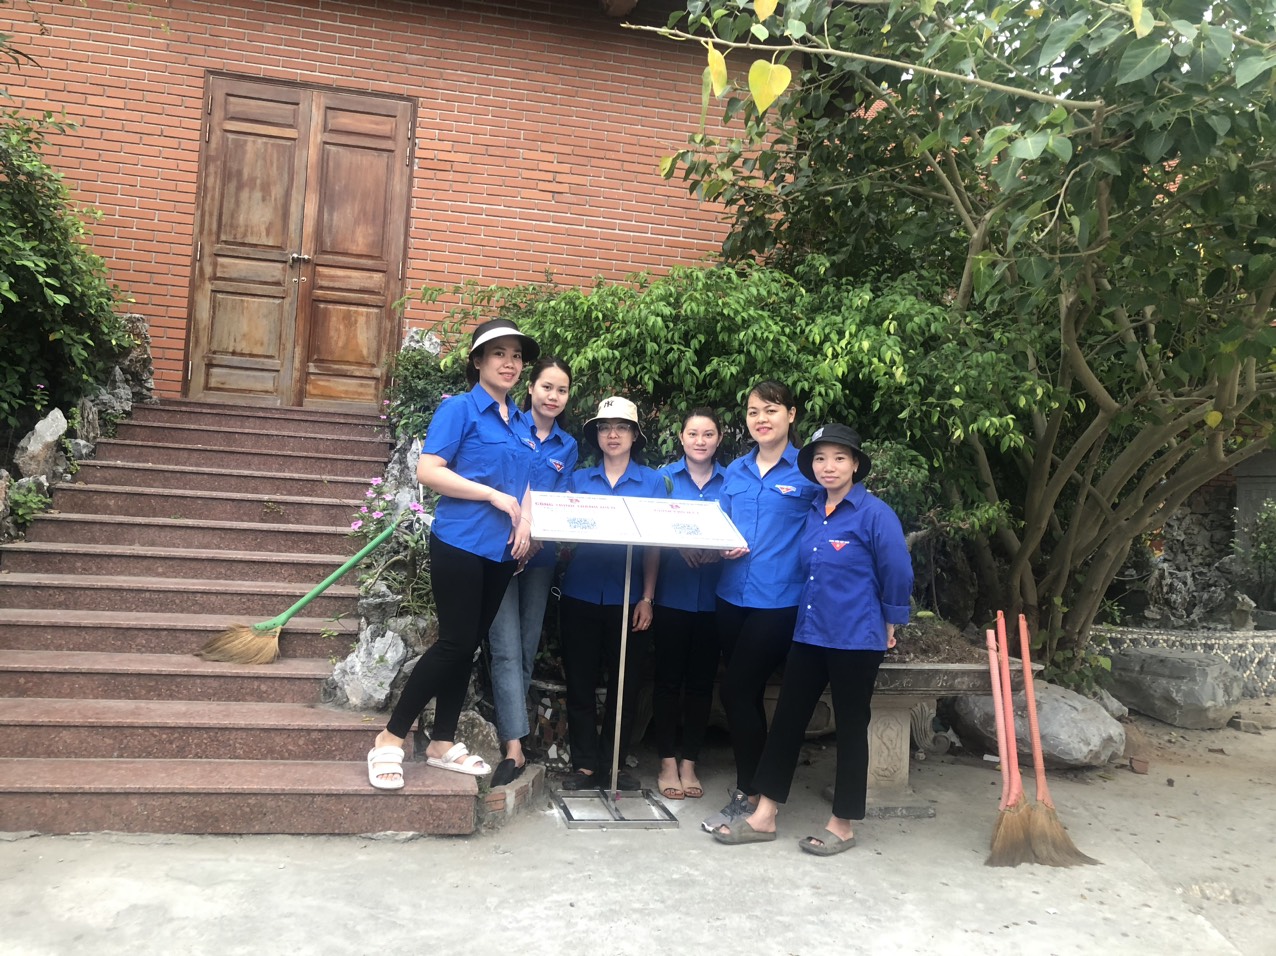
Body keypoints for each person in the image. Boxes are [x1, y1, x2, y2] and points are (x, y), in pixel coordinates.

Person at [713, 424, 913, 854]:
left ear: (855, 465)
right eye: (820, 458)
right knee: (787, 721)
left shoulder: (875, 514)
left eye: (839, 458)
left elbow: (897, 570)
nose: (828, 466)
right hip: (809, 631)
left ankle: (842, 824)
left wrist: (891, 621)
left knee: (851, 727)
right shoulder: (812, 511)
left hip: (856, 637)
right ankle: (765, 814)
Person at [367, 318, 539, 789]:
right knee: (455, 643)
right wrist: (491, 495)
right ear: (478, 361)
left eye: (516, 356)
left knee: (470, 645)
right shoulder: (459, 409)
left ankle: (442, 742)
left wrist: (525, 522)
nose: (509, 363)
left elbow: (525, 482)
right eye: (499, 353)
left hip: (501, 552)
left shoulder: (520, 420)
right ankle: (390, 737)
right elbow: (429, 471)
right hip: (461, 542)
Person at [702, 381, 819, 831]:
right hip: (731, 595)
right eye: (753, 412)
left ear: (791, 414)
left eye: (770, 410)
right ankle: (752, 788)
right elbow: (719, 524)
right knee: (744, 695)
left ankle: (751, 792)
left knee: (735, 690)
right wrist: (717, 546)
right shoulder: (736, 470)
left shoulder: (810, 472)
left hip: (780, 600)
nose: (761, 419)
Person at [557, 396, 666, 791]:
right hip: (580, 593)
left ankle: (614, 765)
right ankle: (585, 766)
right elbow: (563, 531)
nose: (613, 434)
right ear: (597, 436)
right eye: (605, 428)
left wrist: (647, 598)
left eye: (622, 427)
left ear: (635, 435)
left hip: (629, 598)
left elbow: (654, 545)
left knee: (626, 685)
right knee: (580, 683)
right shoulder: (579, 480)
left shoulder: (652, 482)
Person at [487, 357, 578, 787]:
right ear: (530, 387)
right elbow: (497, 482)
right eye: (546, 387)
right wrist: (517, 534)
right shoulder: (509, 425)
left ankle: (514, 735)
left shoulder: (567, 446)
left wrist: (536, 538)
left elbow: (561, 500)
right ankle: (514, 746)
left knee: (525, 646)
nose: (553, 396)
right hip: (499, 551)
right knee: (504, 646)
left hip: (539, 558)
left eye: (561, 390)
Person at [651, 407, 727, 801]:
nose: (700, 441)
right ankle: (667, 761)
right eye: (693, 434)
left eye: (708, 434)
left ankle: (690, 763)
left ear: (719, 439)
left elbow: (741, 530)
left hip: (714, 598)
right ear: (681, 437)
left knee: (701, 684)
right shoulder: (662, 479)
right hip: (672, 595)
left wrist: (718, 549)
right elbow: (647, 528)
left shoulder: (732, 482)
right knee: (667, 681)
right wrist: (677, 545)